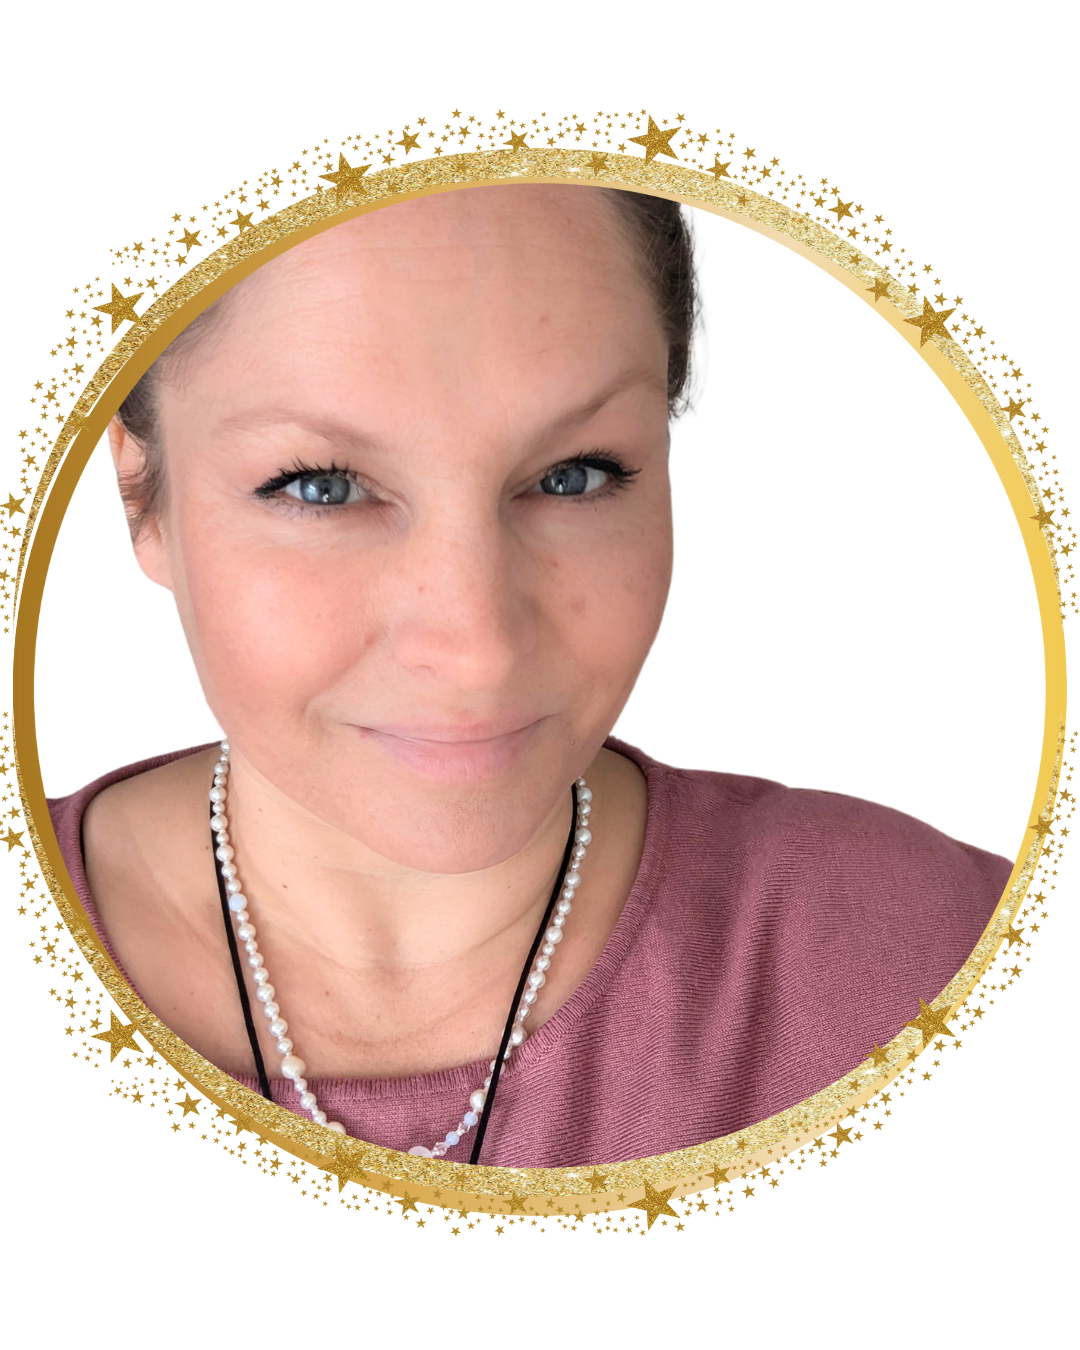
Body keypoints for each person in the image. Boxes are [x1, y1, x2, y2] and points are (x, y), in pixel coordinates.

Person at [46, 184, 1011, 1168]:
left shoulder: (955, 963)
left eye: (573, 475)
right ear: (140, 494)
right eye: (321, 488)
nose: (478, 648)